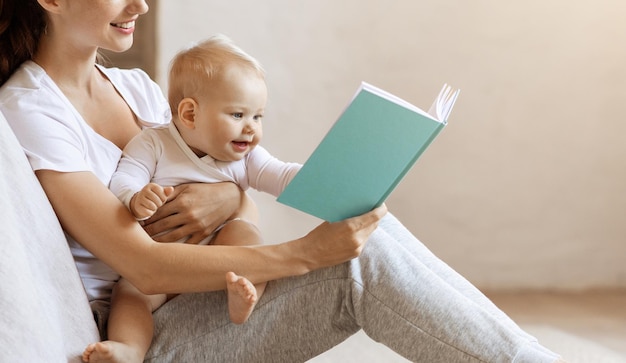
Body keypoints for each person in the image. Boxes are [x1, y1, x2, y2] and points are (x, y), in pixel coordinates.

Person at [0, 1, 564, 362]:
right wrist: (303, 253)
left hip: (208, 291)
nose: (141, 4)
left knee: (370, 239)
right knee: (354, 261)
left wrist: (230, 198)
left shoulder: (140, 90)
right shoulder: (33, 108)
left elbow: (237, 194)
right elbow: (140, 263)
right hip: (144, 329)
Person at [95, 34, 302, 361]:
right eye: (238, 115)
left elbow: (285, 177)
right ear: (190, 114)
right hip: (162, 268)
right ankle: (129, 348)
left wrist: (326, 178)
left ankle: (243, 298)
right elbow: (125, 177)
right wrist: (136, 197)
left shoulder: (246, 158)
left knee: (244, 234)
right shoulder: (154, 144)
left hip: (219, 267)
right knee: (129, 294)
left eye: (257, 116)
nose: (251, 128)